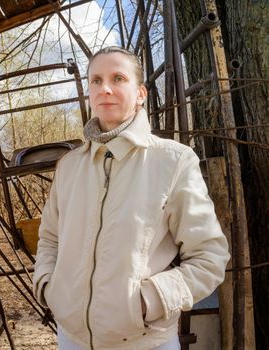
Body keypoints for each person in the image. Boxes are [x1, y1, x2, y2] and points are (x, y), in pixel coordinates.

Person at [33, 46, 230, 350]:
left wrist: (146, 302)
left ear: (140, 93)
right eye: (96, 80)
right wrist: (50, 288)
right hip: (71, 337)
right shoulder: (69, 167)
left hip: (144, 341)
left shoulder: (173, 161)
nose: (105, 89)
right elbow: (49, 240)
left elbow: (209, 258)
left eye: (118, 78)